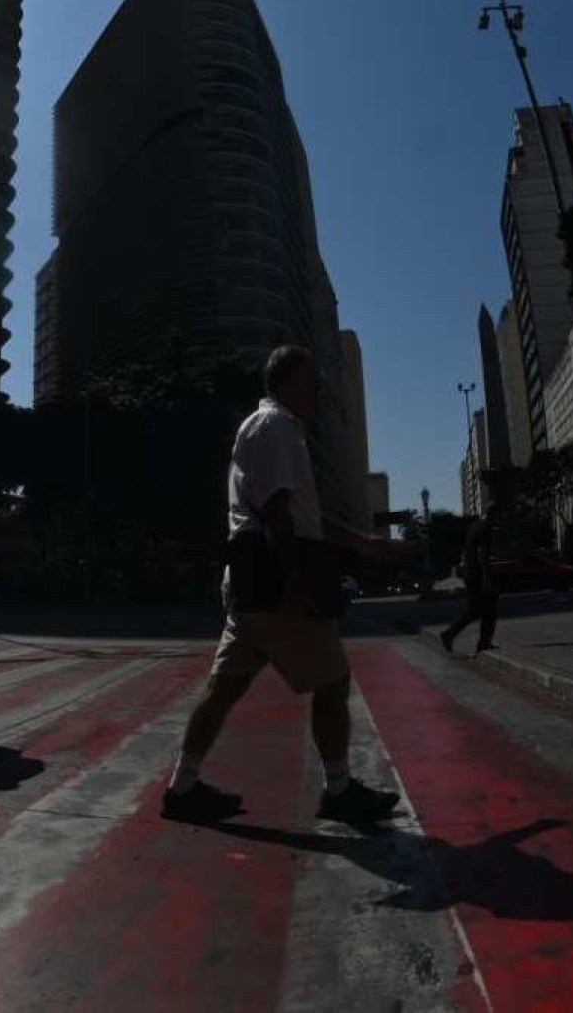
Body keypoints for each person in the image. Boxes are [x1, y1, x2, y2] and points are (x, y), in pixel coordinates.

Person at [161, 345, 400, 826]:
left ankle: (182, 788)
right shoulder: (277, 428)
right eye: (313, 382)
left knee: (224, 690)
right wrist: (297, 585)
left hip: (253, 583)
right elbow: (278, 515)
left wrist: (360, 542)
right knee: (332, 682)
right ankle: (338, 790)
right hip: (275, 580)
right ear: (288, 382)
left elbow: (304, 515)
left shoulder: (273, 430)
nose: (319, 393)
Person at [441, 505, 501, 654]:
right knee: (488, 610)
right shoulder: (486, 528)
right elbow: (483, 555)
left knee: (476, 610)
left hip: (470, 573)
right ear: (494, 515)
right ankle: (478, 641)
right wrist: (487, 579)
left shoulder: (474, 526)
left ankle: (453, 635)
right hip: (478, 575)